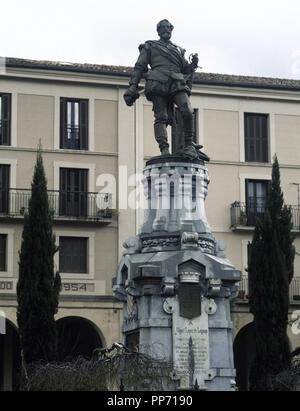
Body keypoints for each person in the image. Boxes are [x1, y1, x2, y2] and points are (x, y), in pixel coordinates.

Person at [124, 19, 201, 160]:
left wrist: (193, 65)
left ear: (172, 30)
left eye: (169, 27)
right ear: (158, 31)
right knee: (161, 117)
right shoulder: (150, 46)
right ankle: (164, 148)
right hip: (158, 82)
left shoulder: (178, 50)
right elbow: (140, 66)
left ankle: (189, 144)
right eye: (163, 28)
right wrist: (132, 86)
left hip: (176, 82)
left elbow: (185, 69)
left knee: (188, 111)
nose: (166, 30)